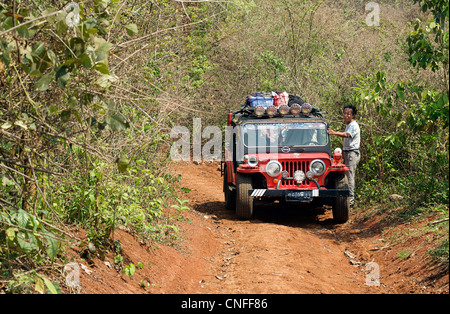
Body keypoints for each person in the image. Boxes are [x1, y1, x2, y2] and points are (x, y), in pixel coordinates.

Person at [327, 104, 361, 207]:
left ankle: (350, 200)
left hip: (352, 153)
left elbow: (347, 135)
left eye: (348, 114)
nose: (346, 116)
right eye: (345, 113)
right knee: (346, 176)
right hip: (347, 152)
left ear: (353, 115)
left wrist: (334, 133)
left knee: (350, 176)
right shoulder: (348, 125)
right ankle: (347, 199)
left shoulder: (353, 125)